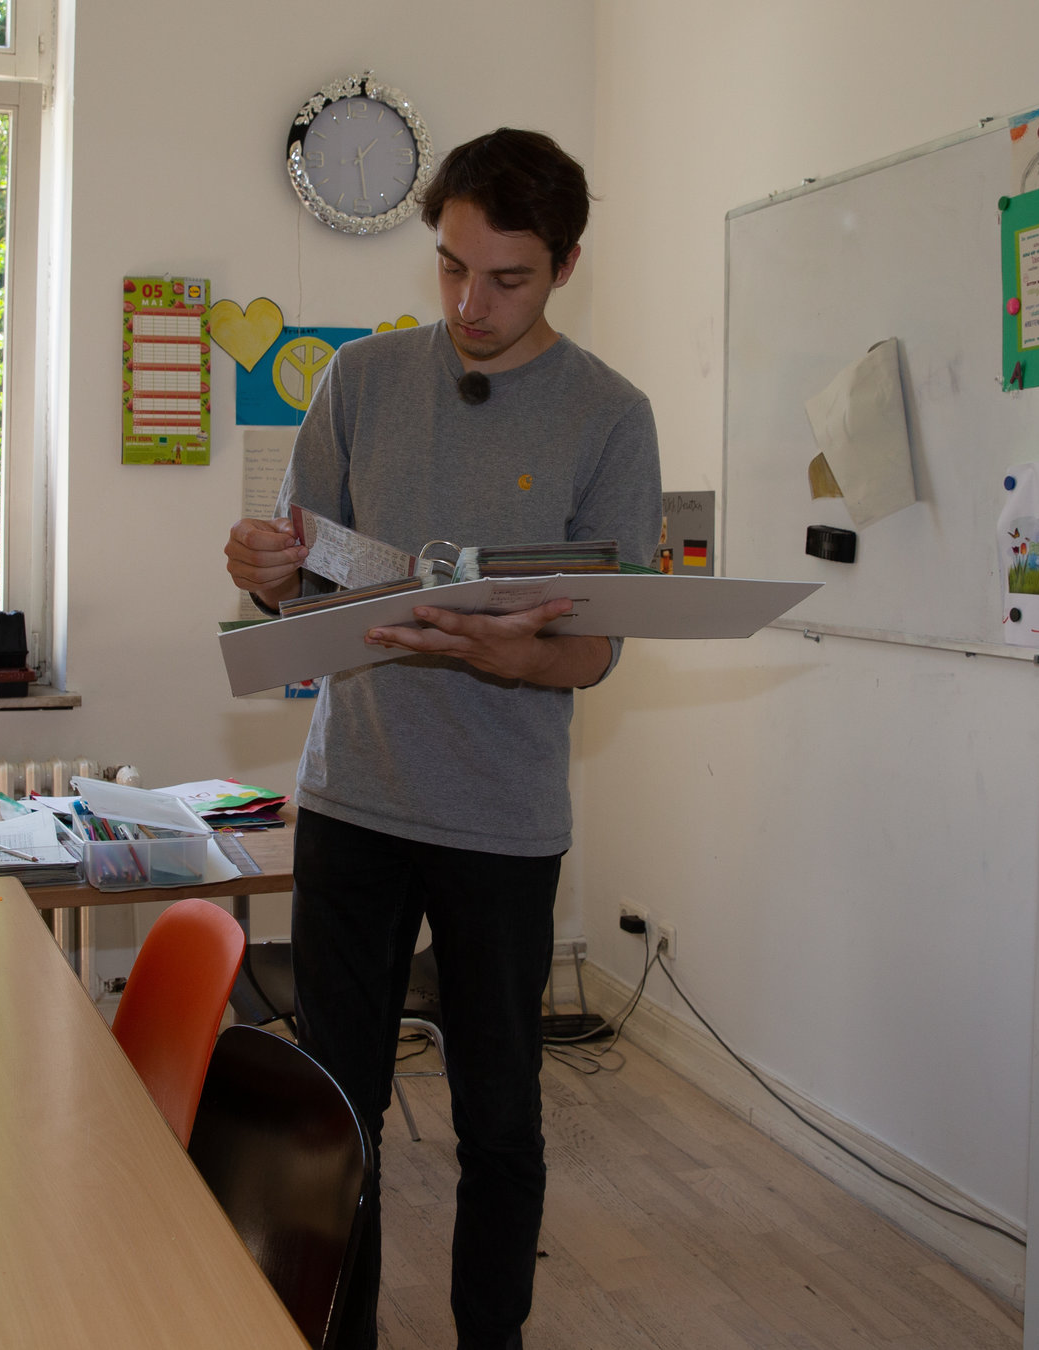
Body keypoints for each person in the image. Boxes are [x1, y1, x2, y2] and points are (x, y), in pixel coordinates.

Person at [222, 128, 660, 1350]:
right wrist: (263, 574)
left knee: (501, 1121)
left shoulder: (611, 417)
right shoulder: (359, 381)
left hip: (502, 827)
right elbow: (299, 590)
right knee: (336, 1111)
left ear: (566, 267)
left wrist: (518, 654)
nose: (471, 303)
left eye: (507, 278)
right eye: (452, 267)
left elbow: (600, 646)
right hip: (357, 800)